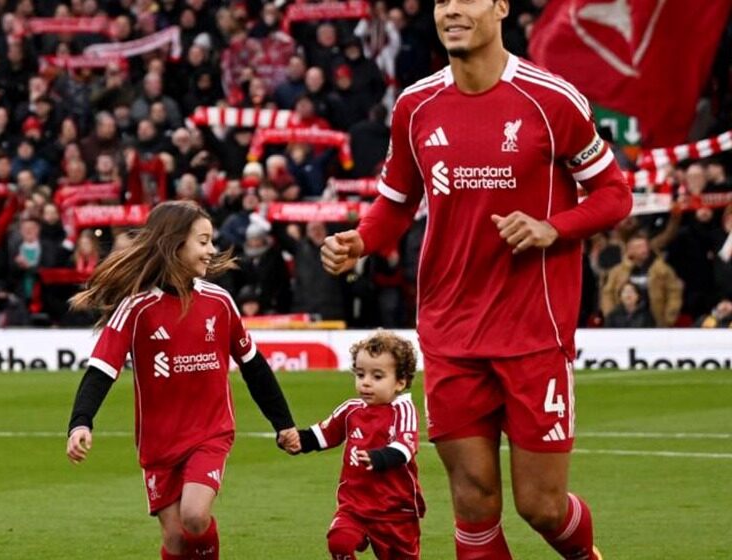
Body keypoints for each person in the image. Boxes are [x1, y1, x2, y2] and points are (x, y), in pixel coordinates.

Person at [321, 0, 632, 558]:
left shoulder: (552, 99)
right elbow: (394, 204)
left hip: (533, 331)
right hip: (449, 330)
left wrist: (550, 227)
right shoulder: (415, 105)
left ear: (500, 8)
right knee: (473, 502)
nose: (453, 10)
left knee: (541, 505)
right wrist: (361, 241)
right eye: (442, 0)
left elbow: (614, 194)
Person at [65, 201, 301, 560]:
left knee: (194, 515)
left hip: (210, 432)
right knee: (175, 539)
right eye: (203, 241)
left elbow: (254, 366)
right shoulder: (137, 307)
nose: (211, 250)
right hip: (159, 443)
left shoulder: (220, 302)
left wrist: (282, 423)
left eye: (211, 241)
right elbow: (101, 369)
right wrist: (80, 422)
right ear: (174, 244)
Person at [290, 331, 424, 559]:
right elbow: (323, 433)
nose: (366, 383)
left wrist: (378, 457)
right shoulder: (351, 408)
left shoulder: (403, 409)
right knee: (339, 542)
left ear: (400, 382)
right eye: (361, 374)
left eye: (377, 376)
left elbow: (405, 446)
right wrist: (297, 440)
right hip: (355, 506)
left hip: (395, 511)